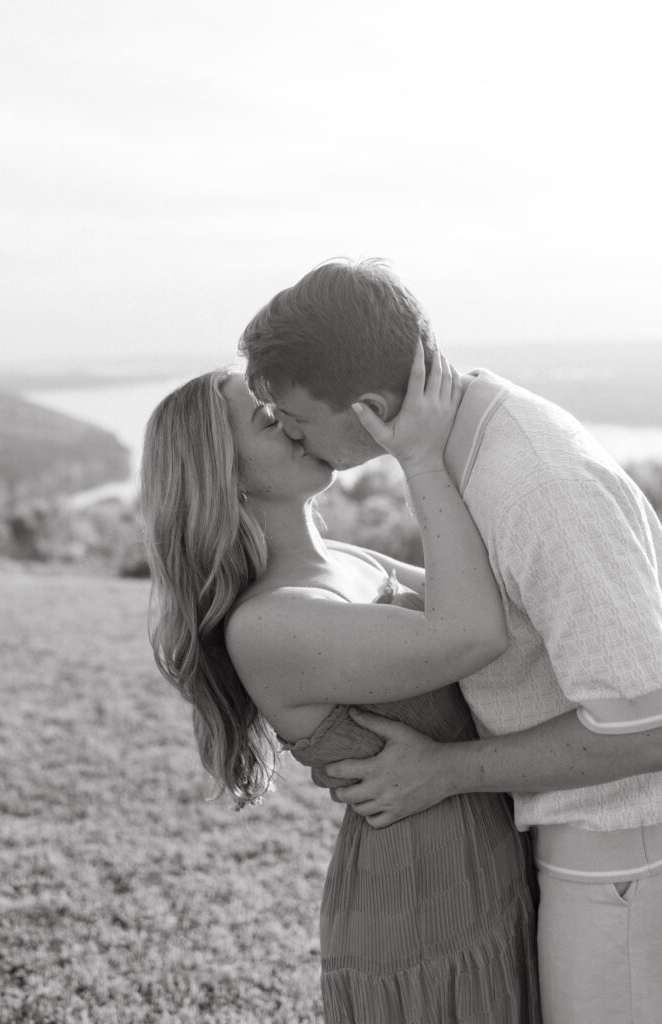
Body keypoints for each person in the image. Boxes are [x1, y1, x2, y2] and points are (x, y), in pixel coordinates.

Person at [239, 258, 662, 1024]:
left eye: (296, 422)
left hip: (617, 850)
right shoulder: (471, 449)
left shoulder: (531, 483)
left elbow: (644, 721)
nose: (292, 437)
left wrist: (443, 771)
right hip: (566, 834)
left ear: (367, 407)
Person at [139, 353, 543, 1023]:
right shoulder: (268, 624)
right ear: (225, 475)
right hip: (424, 897)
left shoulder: (352, 563)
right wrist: (419, 457)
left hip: (493, 853)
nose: (298, 423)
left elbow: (507, 605)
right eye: (269, 417)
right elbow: (472, 634)